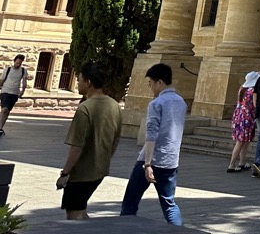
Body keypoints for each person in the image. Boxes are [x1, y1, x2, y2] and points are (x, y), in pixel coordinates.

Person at [120, 62, 187, 225]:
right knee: (169, 203)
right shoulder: (181, 102)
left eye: (151, 83)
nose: (150, 87)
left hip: (150, 159)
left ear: (160, 82)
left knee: (130, 202)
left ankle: (122, 233)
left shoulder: (156, 103)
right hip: (171, 160)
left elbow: (151, 135)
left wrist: (148, 164)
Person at [57, 62, 122, 220]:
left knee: (74, 212)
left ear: (88, 82)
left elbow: (76, 146)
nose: (78, 83)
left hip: (82, 173)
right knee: (80, 208)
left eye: (79, 80)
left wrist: (65, 173)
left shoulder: (85, 108)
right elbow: (115, 139)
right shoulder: (114, 105)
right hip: (100, 169)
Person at [227, 70, 259, 172]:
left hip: (239, 116)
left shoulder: (242, 88)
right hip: (248, 117)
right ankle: (231, 164)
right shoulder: (253, 90)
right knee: (241, 142)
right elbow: (255, 105)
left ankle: (242, 162)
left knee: (244, 141)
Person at [0, 54, 29, 136]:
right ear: (14, 61)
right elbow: (1, 81)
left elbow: (24, 82)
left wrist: (23, 91)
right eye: (17, 63)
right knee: (4, 110)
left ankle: (1, 127)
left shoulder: (23, 71)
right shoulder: (7, 70)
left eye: (20, 63)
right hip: (5, 92)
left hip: (14, 93)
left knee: (7, 111)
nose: (18, 65)